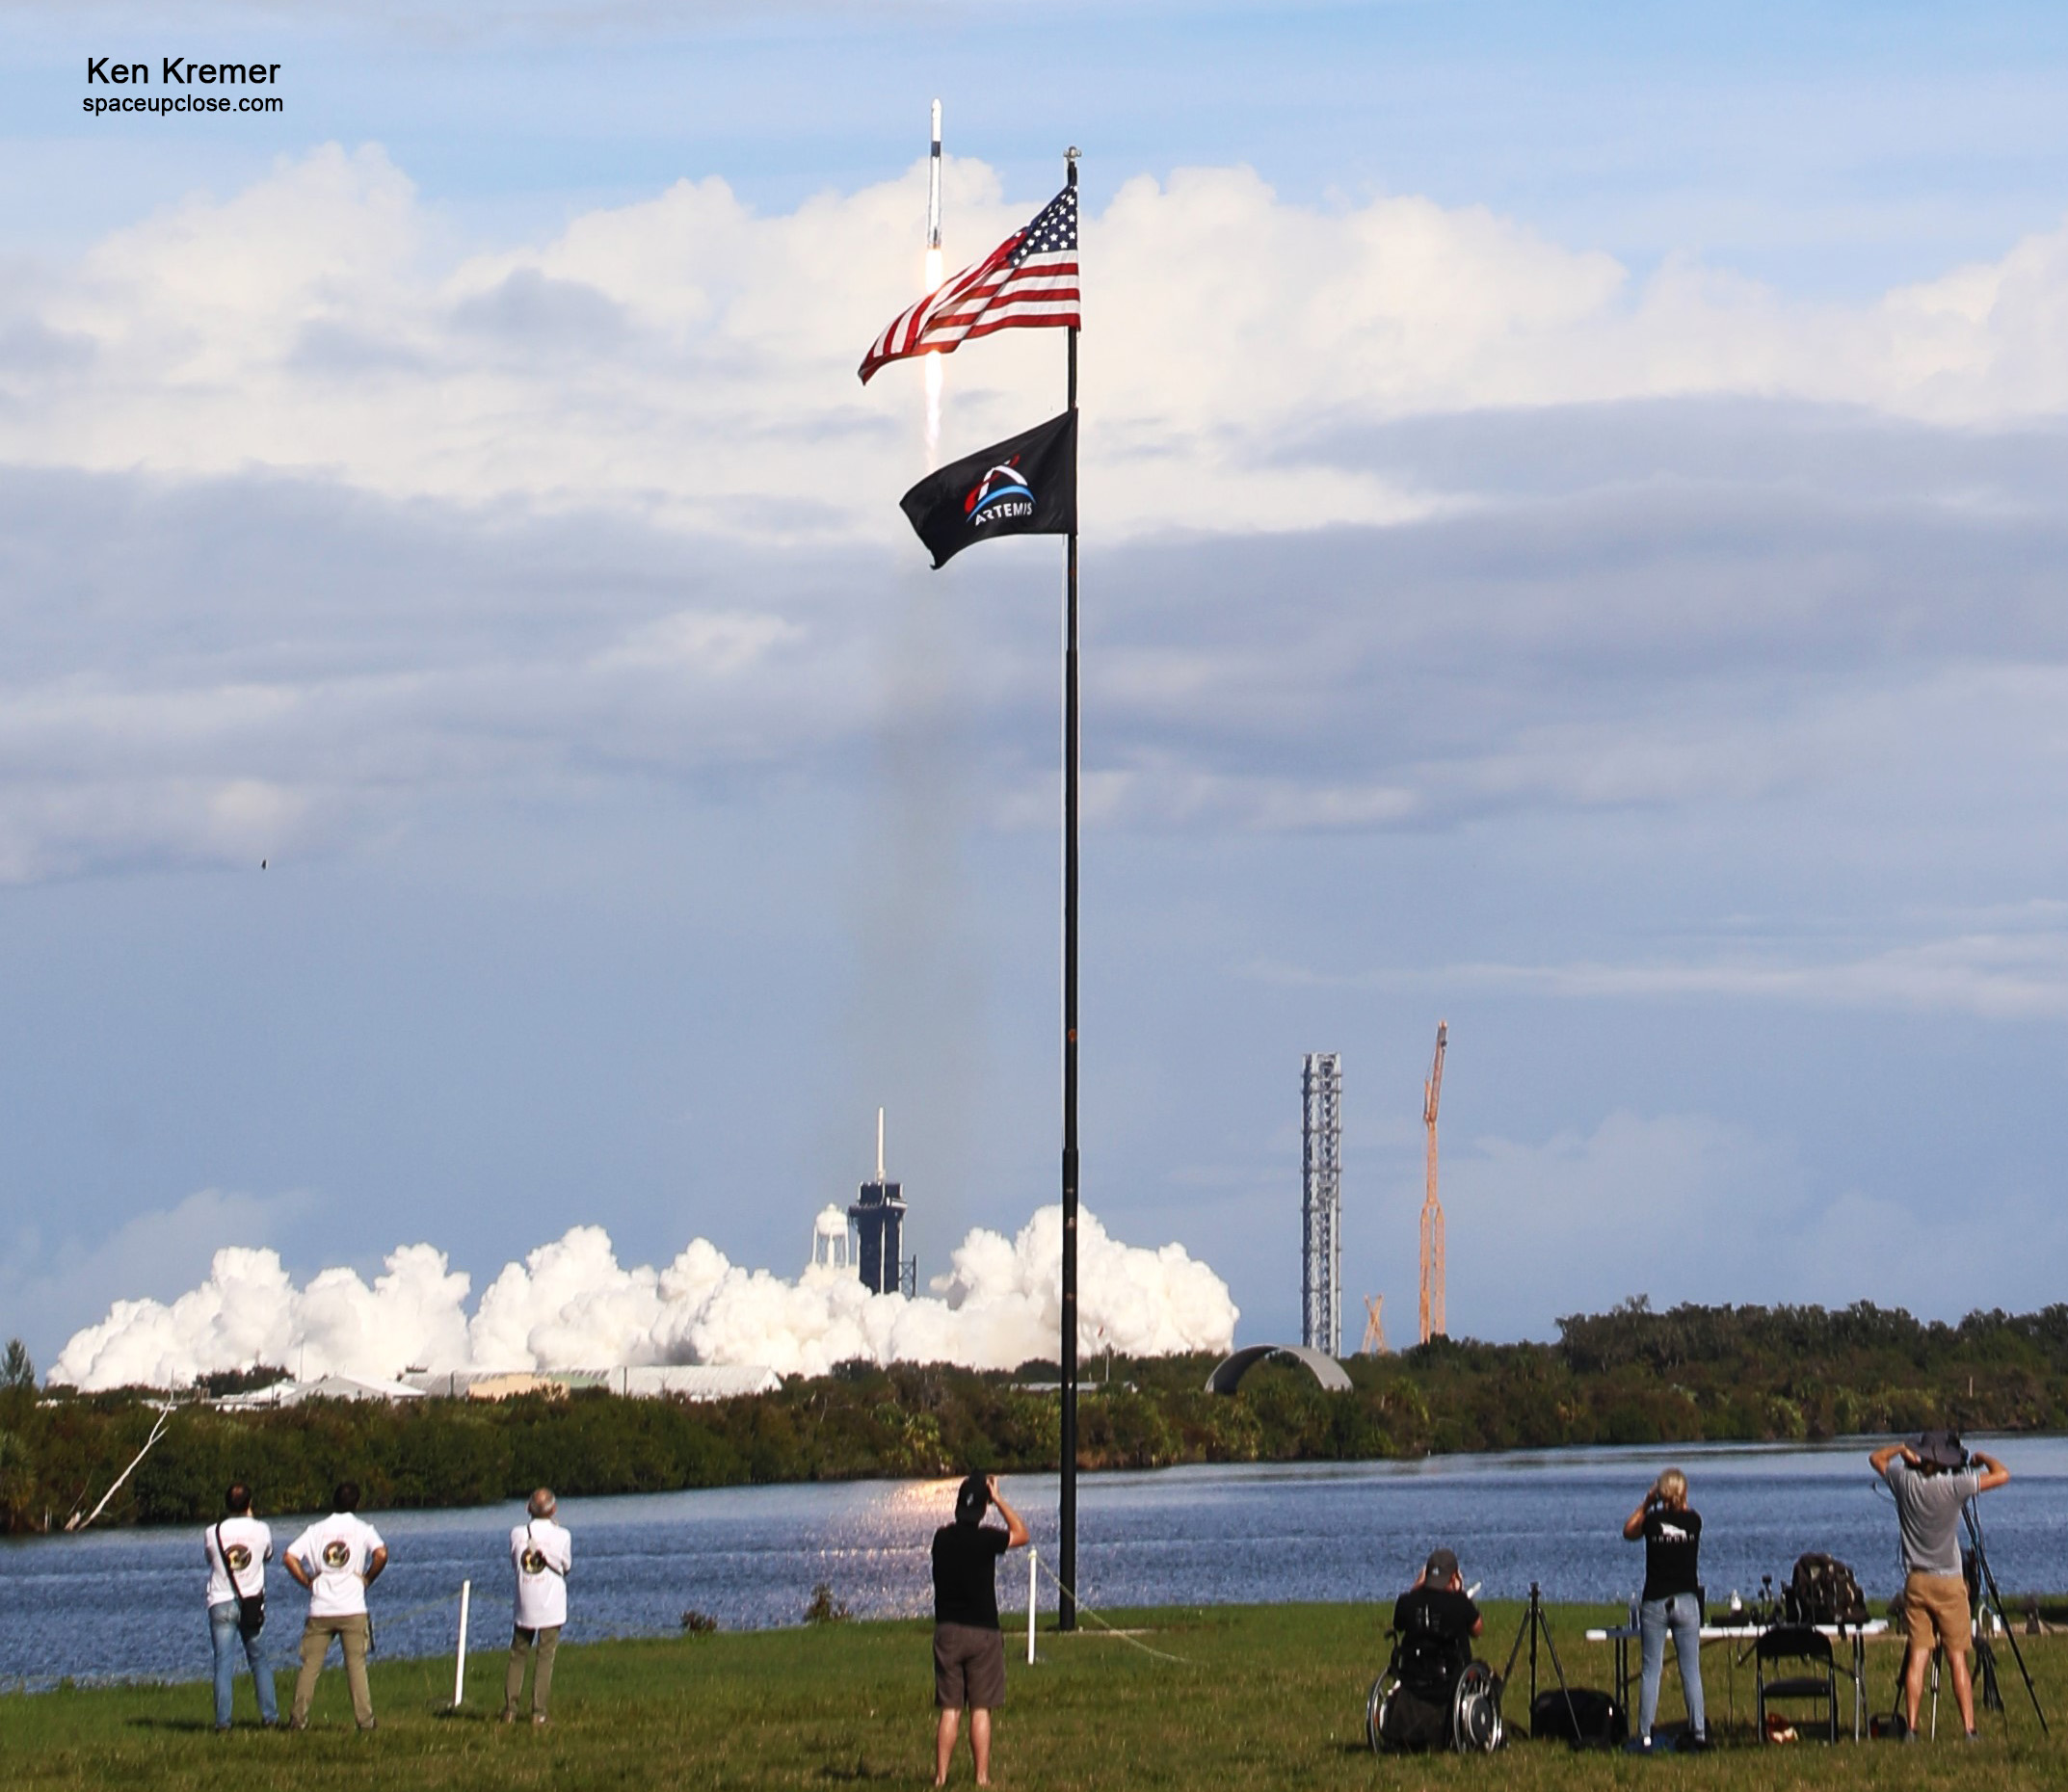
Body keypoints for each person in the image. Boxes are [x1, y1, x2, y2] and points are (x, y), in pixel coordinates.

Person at [1870, 1430, 2008, 1742]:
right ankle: (1970, 1730)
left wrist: (1903, 1451)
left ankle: (1913, 1728)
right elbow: (2001, 1476)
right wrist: (1981, 1458)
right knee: (1957, 1655)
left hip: (1916, 1580)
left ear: (1921, 1457)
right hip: (1949, 1580)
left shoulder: (1903, 1482)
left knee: (1918, 1654)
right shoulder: (1954, 1485)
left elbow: (1876, 1458)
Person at [930, 1473, 1029, 1787]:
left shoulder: (941, 1539)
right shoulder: (987, 1539)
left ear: (958, 1505)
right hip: (983, 1631)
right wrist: (999, 1499)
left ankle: (941, 1777)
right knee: (981, 1709)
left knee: (950, 1709)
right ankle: (982, 1778)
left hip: (947, 1630)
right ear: (984, 1508)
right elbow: (1021, 1534)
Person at [284, 1480, 387, 1731]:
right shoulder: (363, 1529)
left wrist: (308, 1581)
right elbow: (381, 1554)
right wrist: (367, 1578)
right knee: (356, 1666)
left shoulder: (315, 1530)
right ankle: (365, 1721)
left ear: (333, 1501)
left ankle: (297, 1720)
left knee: (310, 1666)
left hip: (320, 1608)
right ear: (357, 1504)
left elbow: (289, 1556)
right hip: (353, 1607)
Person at [1620, 1467, 1707, 1752]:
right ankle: (1698, 1733)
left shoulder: (1653, 1520)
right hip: (1687, 1601)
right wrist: (1678, 1500)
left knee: (1651, 1670)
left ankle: (1645, 1735)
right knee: (1691, 1671)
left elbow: (1628, 1531)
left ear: (1661, 1493)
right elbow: (1687, 1511)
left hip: (1656, 1601)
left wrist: (1647, 1502)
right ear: (1684, 1492)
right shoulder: (1694, 1521)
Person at [204, 1481, 278, 1730]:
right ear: (249, 1504)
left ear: (226, 1504)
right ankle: (270, 1717)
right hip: (251, 1602)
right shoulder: (261, 1529)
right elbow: (268, 1555)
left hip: (220, 1600)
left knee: (223, 1663)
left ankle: (223, 1723)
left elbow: (210, 1559)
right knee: (259, 1660)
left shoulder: (212, 1532)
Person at [506, 1487, 571, 1726]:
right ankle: (539, 1713)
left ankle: (510, 1709)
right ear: (553, 1508)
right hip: (551, 1604)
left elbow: (516, 1563)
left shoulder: (517, 1533)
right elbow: (566, 1566)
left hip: (525, 1601)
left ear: (528, 1508)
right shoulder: (562, 1535)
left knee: (518, 1654)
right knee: (545, 1656)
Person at [1391, 1546, 1483, 1705]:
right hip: (1450, 1681)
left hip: (1412, 1678)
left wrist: (1416, 1587)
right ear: (1454, 1577)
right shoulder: (1460, 1602)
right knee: (1483, 1670)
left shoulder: (1406, 1602)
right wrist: (1459, 1591)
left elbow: (1398, 1625)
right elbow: (1477, 1629)